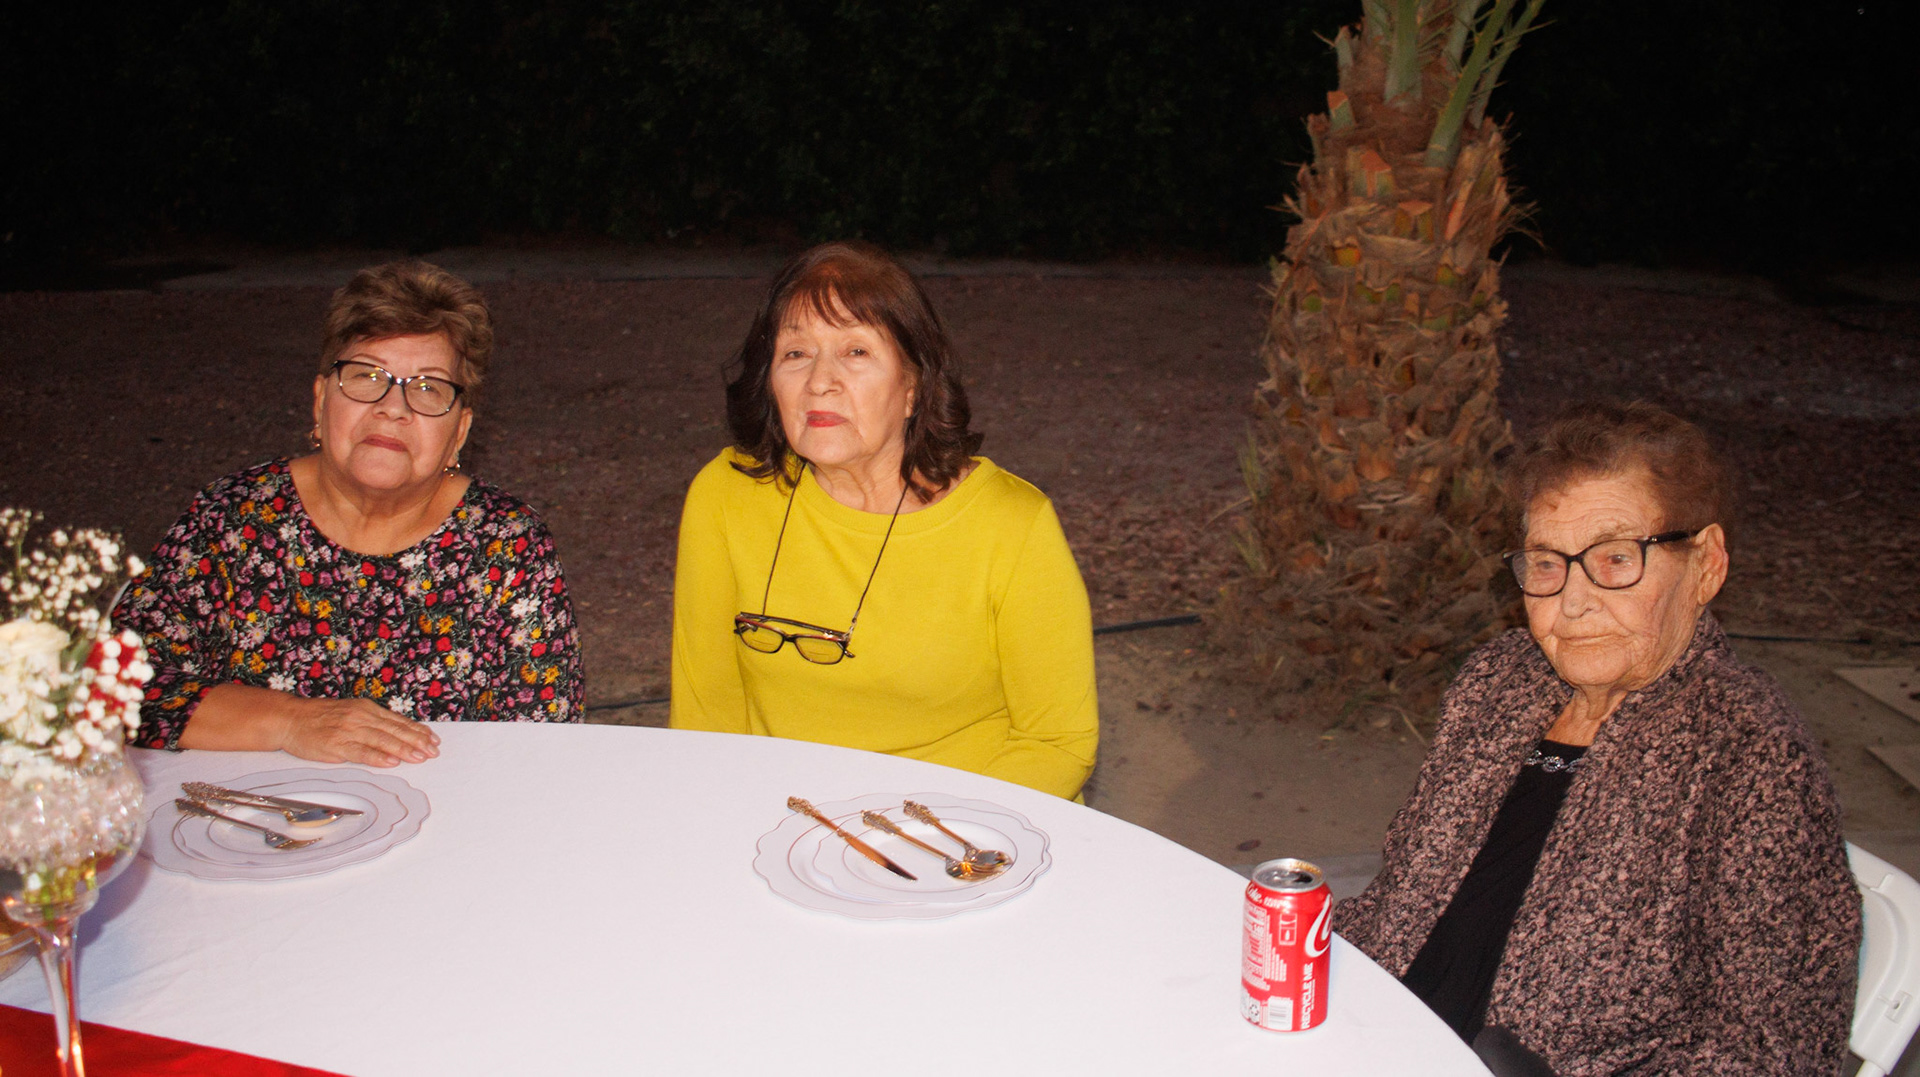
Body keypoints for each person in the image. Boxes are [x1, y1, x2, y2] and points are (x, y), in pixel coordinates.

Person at [1335, 401, 1860, 1075]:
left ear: (1705, 565)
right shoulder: (1499, 682)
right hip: (1375, 1040)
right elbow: (1395, 904)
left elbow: (1772, 1050)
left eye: (1615, 558)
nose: (1574, 600)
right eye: (1547, 563)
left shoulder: (1749, 754)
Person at [669, 242, 1097, 799]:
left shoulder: (1010, 525)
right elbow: (705, 716)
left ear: (912, 387)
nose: (819, 381)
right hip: (788, 818)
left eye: (855, 351)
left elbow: (1057, 742)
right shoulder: (727, 495)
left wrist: (920, 831)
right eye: (796, 353)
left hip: (967, 820)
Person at [116, 261, 584, 766]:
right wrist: (291, 721)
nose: (393, 407)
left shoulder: (507, 546)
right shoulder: (232, 518)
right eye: (367, 376)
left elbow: (545, 751)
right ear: (321, 400)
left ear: (459, 433)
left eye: (428, 388)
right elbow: (111, 687)